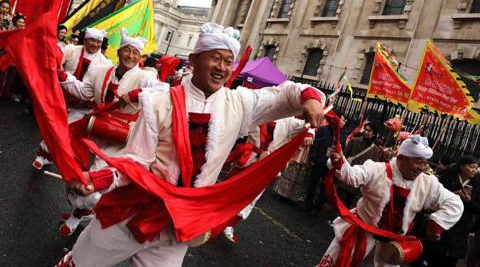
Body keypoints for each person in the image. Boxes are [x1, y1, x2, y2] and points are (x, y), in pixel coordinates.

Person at [55, 22, 325, 267]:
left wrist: (311, 97)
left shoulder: (240, 103)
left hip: (177, 224)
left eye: (228, 61)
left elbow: (286, 93)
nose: (222, 67)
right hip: (131, 213)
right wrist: (98, 180)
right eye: (216, 58)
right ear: (194, 60)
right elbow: (135, 162)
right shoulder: (158, 102)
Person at [54, 28, 167, 236]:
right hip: (93, 130)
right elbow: (84, 91)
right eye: (127, 51)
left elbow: (165, 91)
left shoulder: (145, 77)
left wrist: (135, 94)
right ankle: (84, 209)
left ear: (140, 56)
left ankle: (79, 214)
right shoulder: (99, 71)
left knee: (93, 183)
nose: (130, 56)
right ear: (119, 51)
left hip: (120, 139)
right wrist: (61, 75)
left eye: (135, 53)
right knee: (72, 171)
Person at [318, 135, 464, 267]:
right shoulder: (376, 169)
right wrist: (338, 160)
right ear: (401, 158)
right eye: (418, 162)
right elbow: (351, 175)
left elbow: (454, 203)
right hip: (359, 234)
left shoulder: (428, 183)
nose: (422, 168)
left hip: (390, 248)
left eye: (425, 163)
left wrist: (437, 224)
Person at [33, 28, 112, 170]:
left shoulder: (105, 63)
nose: (95, 44)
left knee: (63, 131)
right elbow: (55, 61)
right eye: (92, 40)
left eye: (98, 42)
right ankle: (44, 154)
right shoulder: (71, 49)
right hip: (61, 98)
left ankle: (45, 154)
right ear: (85, 39)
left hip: (84, 105)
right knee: (53, 127)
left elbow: (95, 89)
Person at [423, 156, 480, 267]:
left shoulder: (478, 185)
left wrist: (469, 202)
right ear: (462, 166)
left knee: (449, 260)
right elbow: (433, 197)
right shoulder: (447, 177)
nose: (474, 170)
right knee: (432, 256)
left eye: (476, 167)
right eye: (471, 167)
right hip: (441, 223)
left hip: (461, 228)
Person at [303, 115, 346, 217]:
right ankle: (308, 204)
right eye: (342, 120)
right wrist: (313, 158)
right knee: (313, 184)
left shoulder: (342, 135)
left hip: (330, 166)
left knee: (324, 188)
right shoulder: (323, 130)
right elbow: (315, 144)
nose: (343, 122)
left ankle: (317, 208)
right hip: (319, 161)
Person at [339, 121, 384, 207]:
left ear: (374, 134)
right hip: (347, 176)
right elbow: (344, 156)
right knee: (339, 199)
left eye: (369, 131)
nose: (366, 132)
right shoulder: (354, 141)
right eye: (365, 130)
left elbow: (375, 169)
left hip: (359, 181)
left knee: (349, 204)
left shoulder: (376, 150)